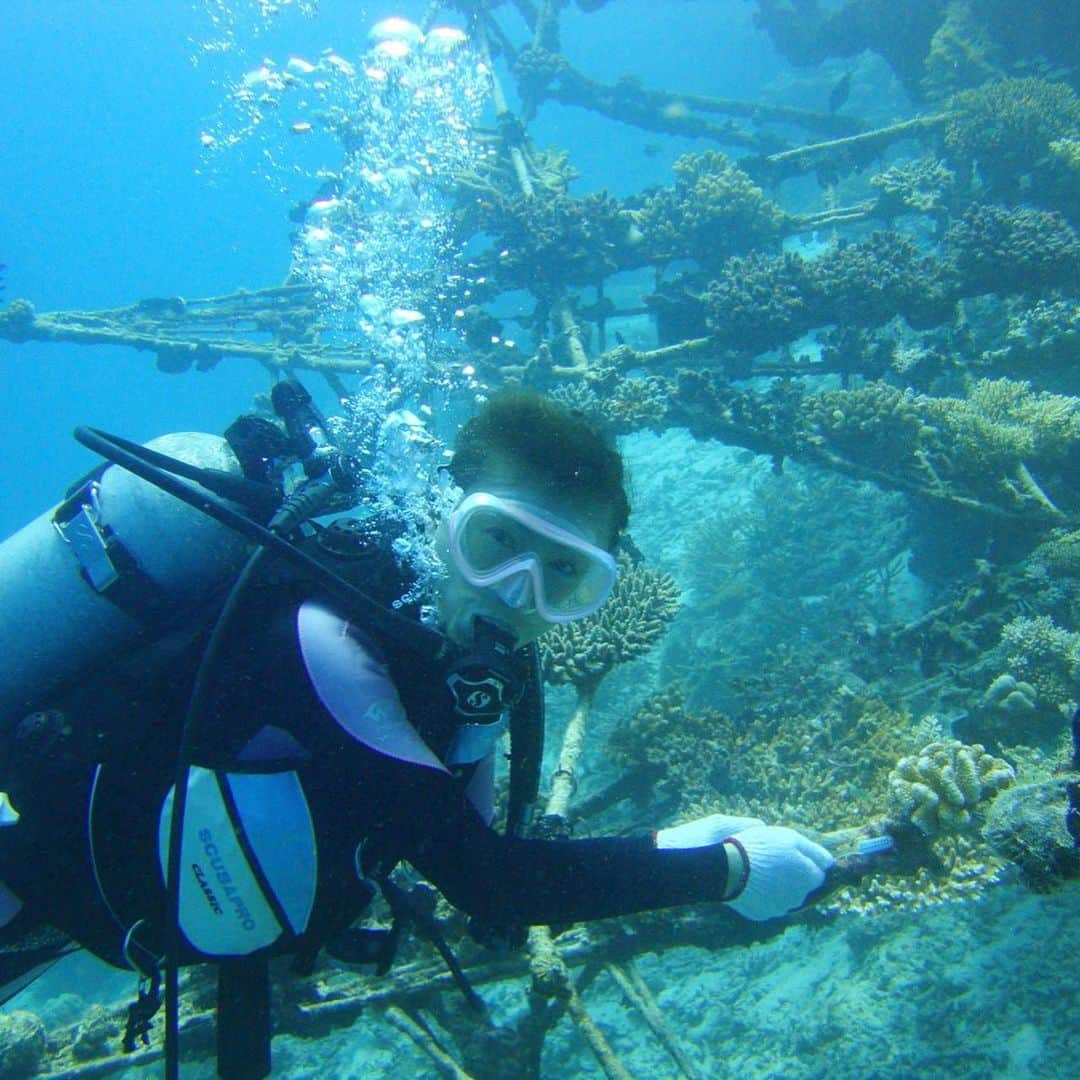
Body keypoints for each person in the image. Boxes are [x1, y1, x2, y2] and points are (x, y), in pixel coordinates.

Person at [0, 389, 831, 1063]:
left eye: (565, 576)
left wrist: (671, 844)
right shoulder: (325, 642)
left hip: (122, 903)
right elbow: (493, 883)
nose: (516, 593)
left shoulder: (476, 670)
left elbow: (470, 852)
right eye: (495, 542)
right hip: (35, 873)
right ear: (441, 513)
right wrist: (722, 870)